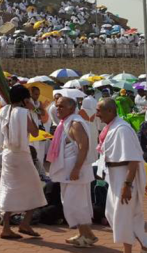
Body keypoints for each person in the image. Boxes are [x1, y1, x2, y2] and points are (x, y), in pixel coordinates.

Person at [96, 98, 147, 253]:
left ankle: (129, 250)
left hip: (124, 176)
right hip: (115, 176)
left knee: (123, 216)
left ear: (110, 111)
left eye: (99, 111)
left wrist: (127, 185)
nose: (97, 114)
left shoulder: (122, 129)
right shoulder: (112, 128)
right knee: (114, 214)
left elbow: (133, 160)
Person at [0, 84, 47, 240]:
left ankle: (9, 226)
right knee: (36, 188)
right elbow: (35, 131)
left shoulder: (4, 111)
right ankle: (24, 223)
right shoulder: (24, 112)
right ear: (25, 99)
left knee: (8, 189)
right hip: (21, 155)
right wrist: (32, 109)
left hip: (7, 154)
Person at [47, 96, 97, 247]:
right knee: (71, 202)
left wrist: (77, 168)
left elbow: (84, 146)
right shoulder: (65, 123)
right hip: (68, 172)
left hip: (76, 172)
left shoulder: (75, 123)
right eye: (57, 106)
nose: (58, 109)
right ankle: (84, 234)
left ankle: (88, 235)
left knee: (75, 203)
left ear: (71, 108)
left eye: (61, 106)